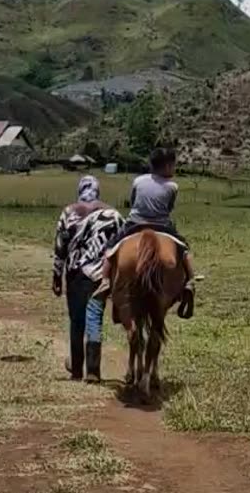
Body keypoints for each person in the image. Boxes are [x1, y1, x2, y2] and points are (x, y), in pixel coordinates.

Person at [93, 148, 196, 309]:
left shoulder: (138, 181)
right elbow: (169, 208)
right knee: (184, 250)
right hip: (162, 225)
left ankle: (105, 280)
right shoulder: (172, 186)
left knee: (110, 247)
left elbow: (133, 201)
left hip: (135, 222)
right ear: (167, 166)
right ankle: (190, 280)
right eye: (173, 165)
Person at [53, 175, 124, 382]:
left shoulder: (69, 212)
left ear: (79, 190)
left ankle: (76, 371)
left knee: (77, 322)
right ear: (98, 191)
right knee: (94, 319)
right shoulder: (113, 214)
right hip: (100, 275)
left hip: (75, 274)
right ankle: (93, 371)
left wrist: (56, 276)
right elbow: (122, 244)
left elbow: (60, 247)